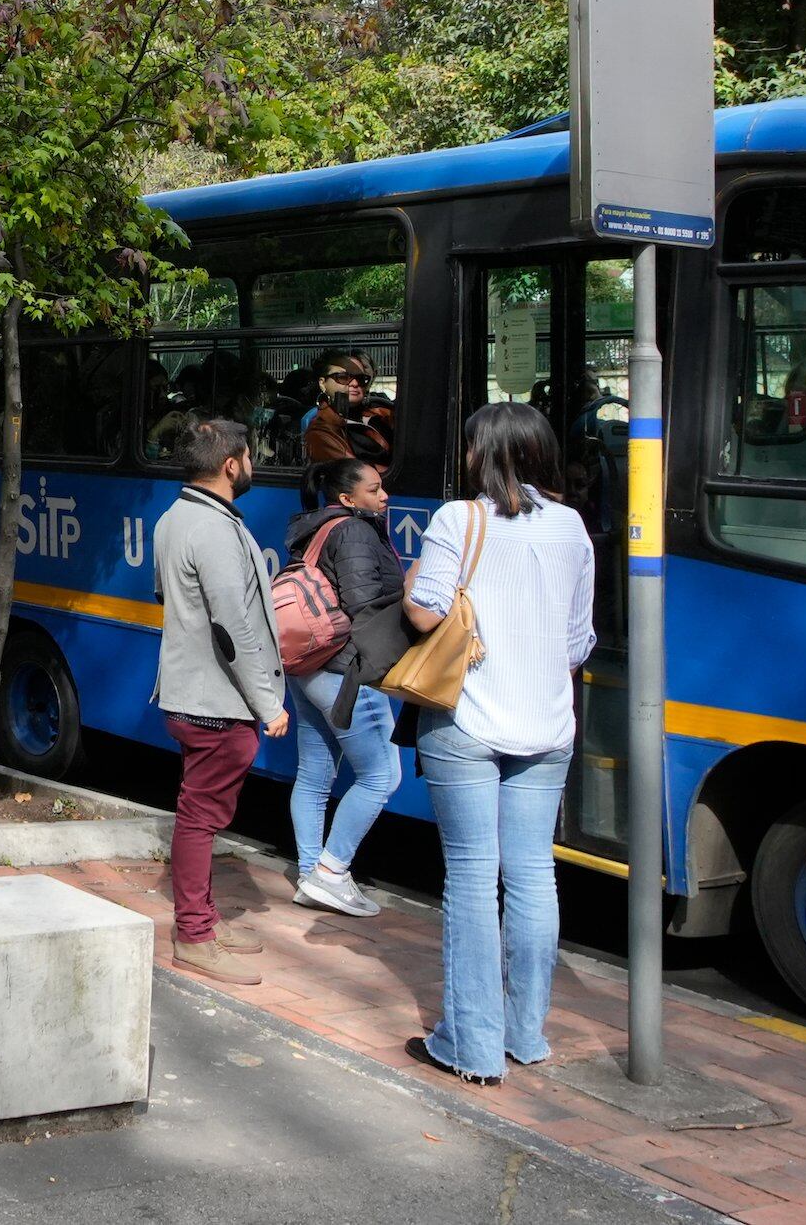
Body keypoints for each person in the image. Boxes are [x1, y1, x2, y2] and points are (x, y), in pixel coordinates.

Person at [402, 402, 594, 1085]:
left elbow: (424, 612)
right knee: (534, 874)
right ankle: (525, 1034)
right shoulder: (572, 526)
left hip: (469, 719)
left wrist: (414, 580)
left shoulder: (459, 519)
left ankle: (471, 1047)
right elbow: (578, 642)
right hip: (548, 724)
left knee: (473, 876)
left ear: (482, 454)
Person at [152, 419, 289, 985]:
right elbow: (232, 627)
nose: (253, 464)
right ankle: (194, 934)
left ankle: (204, 919)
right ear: (231, 464)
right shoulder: (212, 529)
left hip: (191, 691)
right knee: (199, 819)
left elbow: (167, 596)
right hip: (216, 701)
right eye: (250, 456)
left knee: (199, 816)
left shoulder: (175, 516)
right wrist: (268, 704)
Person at [283, 456, 405, 917]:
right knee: (381, 775)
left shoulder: (316, 527)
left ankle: (310, 876)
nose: (384, 496)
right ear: (347, 498)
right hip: (346, 671)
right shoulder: (353, 531)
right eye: (374, 490)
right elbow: (365, 605)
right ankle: (331, 873)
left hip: (309, 668)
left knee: (315, 775)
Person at [303, 351, 393, 471]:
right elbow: (356, 473)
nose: (355, 383)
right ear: (323, 383)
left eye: (361, 379)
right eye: (343, 377)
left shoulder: (381, 413)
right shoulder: (321, 432)